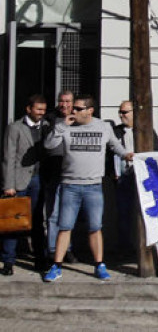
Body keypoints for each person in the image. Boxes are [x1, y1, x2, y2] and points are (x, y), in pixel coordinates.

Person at [42, 95, 134, 282]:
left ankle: (99, 265)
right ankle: (56, 266)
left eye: (78, 108)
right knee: (65, 226)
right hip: (70, 185)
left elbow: (115, 146)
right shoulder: (66, 126)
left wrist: (127, 155)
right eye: (73, 108)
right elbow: (48, 145)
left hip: (93, 186)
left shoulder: (102, 127)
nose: (73, 111)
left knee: (95, 227)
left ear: (90, 110)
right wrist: (62, 127)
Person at [2, 95, 49, 275]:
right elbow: (9, 157)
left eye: (43, 110)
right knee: (13, 221)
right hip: (19, 180)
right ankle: (8, 261)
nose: (41, 113)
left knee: (38, 221)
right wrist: (9, 184)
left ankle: (40, 259)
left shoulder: (46, 127)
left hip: (39, 179)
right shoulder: (15, 128)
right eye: (38, 110)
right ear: (28, 109)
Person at [111, 101, 158, 260]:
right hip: (123, 177)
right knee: (124, 215)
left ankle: (146, 249)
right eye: (120, 112)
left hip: (142, 179)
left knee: (144, 214)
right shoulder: (115, 132)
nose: (121, 115)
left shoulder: (146, 131)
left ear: (134, 113)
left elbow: (157, 152)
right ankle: (125, 249)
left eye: (125, 112)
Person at [43, 91, 77, 265]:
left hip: (74, 174)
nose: (65, 105)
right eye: (62, 101)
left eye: (68, 101)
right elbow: (46, 144)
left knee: (69, 215)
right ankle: (52, 250)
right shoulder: (49, 119)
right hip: (54, 172)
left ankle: (68, 250)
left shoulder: (80, 118)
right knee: (54, 214)